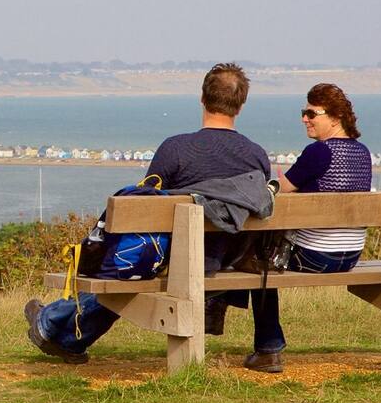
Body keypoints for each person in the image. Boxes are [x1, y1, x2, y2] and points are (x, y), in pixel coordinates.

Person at [26, 63, 272, 364]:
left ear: (202, 98)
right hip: (228, 260)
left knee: (130, 263)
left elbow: (145, 207)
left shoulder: (177, 149)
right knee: (135, 267)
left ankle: (50, 322)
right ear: (241, 105)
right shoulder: (256, 156)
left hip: (176, 261)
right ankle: (64, 336)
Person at [208, 83, 373, 373]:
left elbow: (281, 188)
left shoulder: (319, 153)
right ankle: (220, 305)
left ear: (335, 117)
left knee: (263, 265)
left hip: (318, 257)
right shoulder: (362, 153)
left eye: (311, 113)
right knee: (259, 258)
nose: (304, 119)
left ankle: (266, 347)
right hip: (350, 255)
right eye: (304, 112)